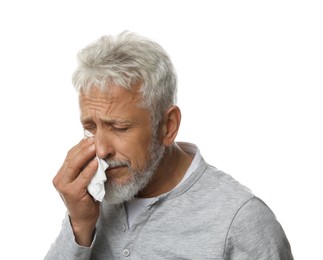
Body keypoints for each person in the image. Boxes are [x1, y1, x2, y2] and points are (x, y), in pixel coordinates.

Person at [45, 31, 293, 259]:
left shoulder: (241, 221)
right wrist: (79, 225)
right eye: (91, 128)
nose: (100, 150)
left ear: (168, 126)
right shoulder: (94, 198)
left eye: (119, 127)